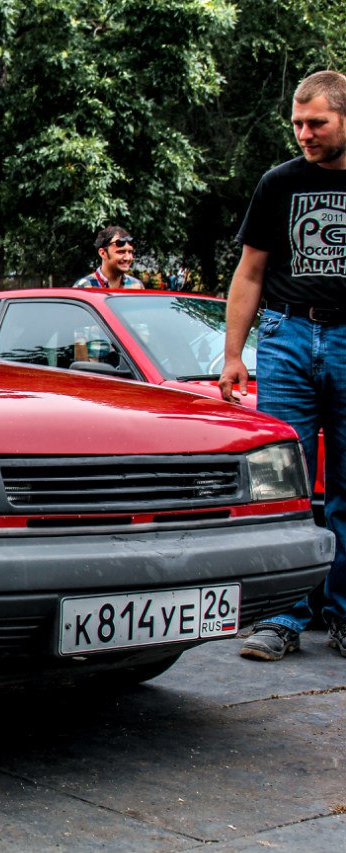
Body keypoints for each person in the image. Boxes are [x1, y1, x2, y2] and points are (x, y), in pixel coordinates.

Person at [220, 69, 346, 661]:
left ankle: (343, 616)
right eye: (298, 123)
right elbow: (249, 272)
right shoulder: (280, 183)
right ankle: (282, 620)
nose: (304, 134)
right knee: (283, 485)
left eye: (316, 122)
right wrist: (232, 355)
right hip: (287, 334)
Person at [73, 227, 145, 289]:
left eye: (130, 252)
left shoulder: (136, 286)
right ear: (103, 253)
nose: (128, 258)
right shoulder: (84, 286)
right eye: (121, 252)